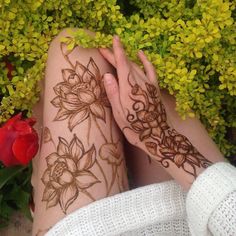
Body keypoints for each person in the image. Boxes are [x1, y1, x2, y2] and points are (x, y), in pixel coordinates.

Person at [31, 29, 236, 236]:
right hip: (204, 217)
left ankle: (38, 180)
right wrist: (154, 130)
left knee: (75, 47)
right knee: (137, 73)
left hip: (90, 230)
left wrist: (157, 136)